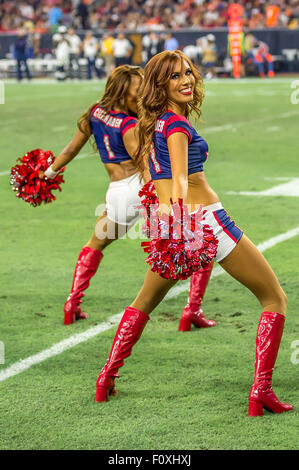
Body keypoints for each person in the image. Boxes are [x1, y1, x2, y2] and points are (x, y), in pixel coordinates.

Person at [94, 50, 293, 418]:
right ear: (159, 84)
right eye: (174, 76)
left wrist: (166, 223)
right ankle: (260, 392)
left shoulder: (149, 123)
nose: (186, 80)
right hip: (205, 224)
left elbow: (158, 179)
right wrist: (180, 216)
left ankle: (106, 378)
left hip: (172, 227)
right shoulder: (176, 126)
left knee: (143, 302)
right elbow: (182, 179)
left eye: (188, 72)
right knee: (274, 298)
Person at [40, 65, 145, 324]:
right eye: (137, 89)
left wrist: (50, 172)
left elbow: (72, 148)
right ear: (122, 91)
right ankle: (193, 308)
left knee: (95, 244)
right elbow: (145, 163)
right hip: (139, 189)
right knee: (195, 240)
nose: (141, 94)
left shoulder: (96, 112)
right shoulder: (129, 124)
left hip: (116, 194)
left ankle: (72, 303)